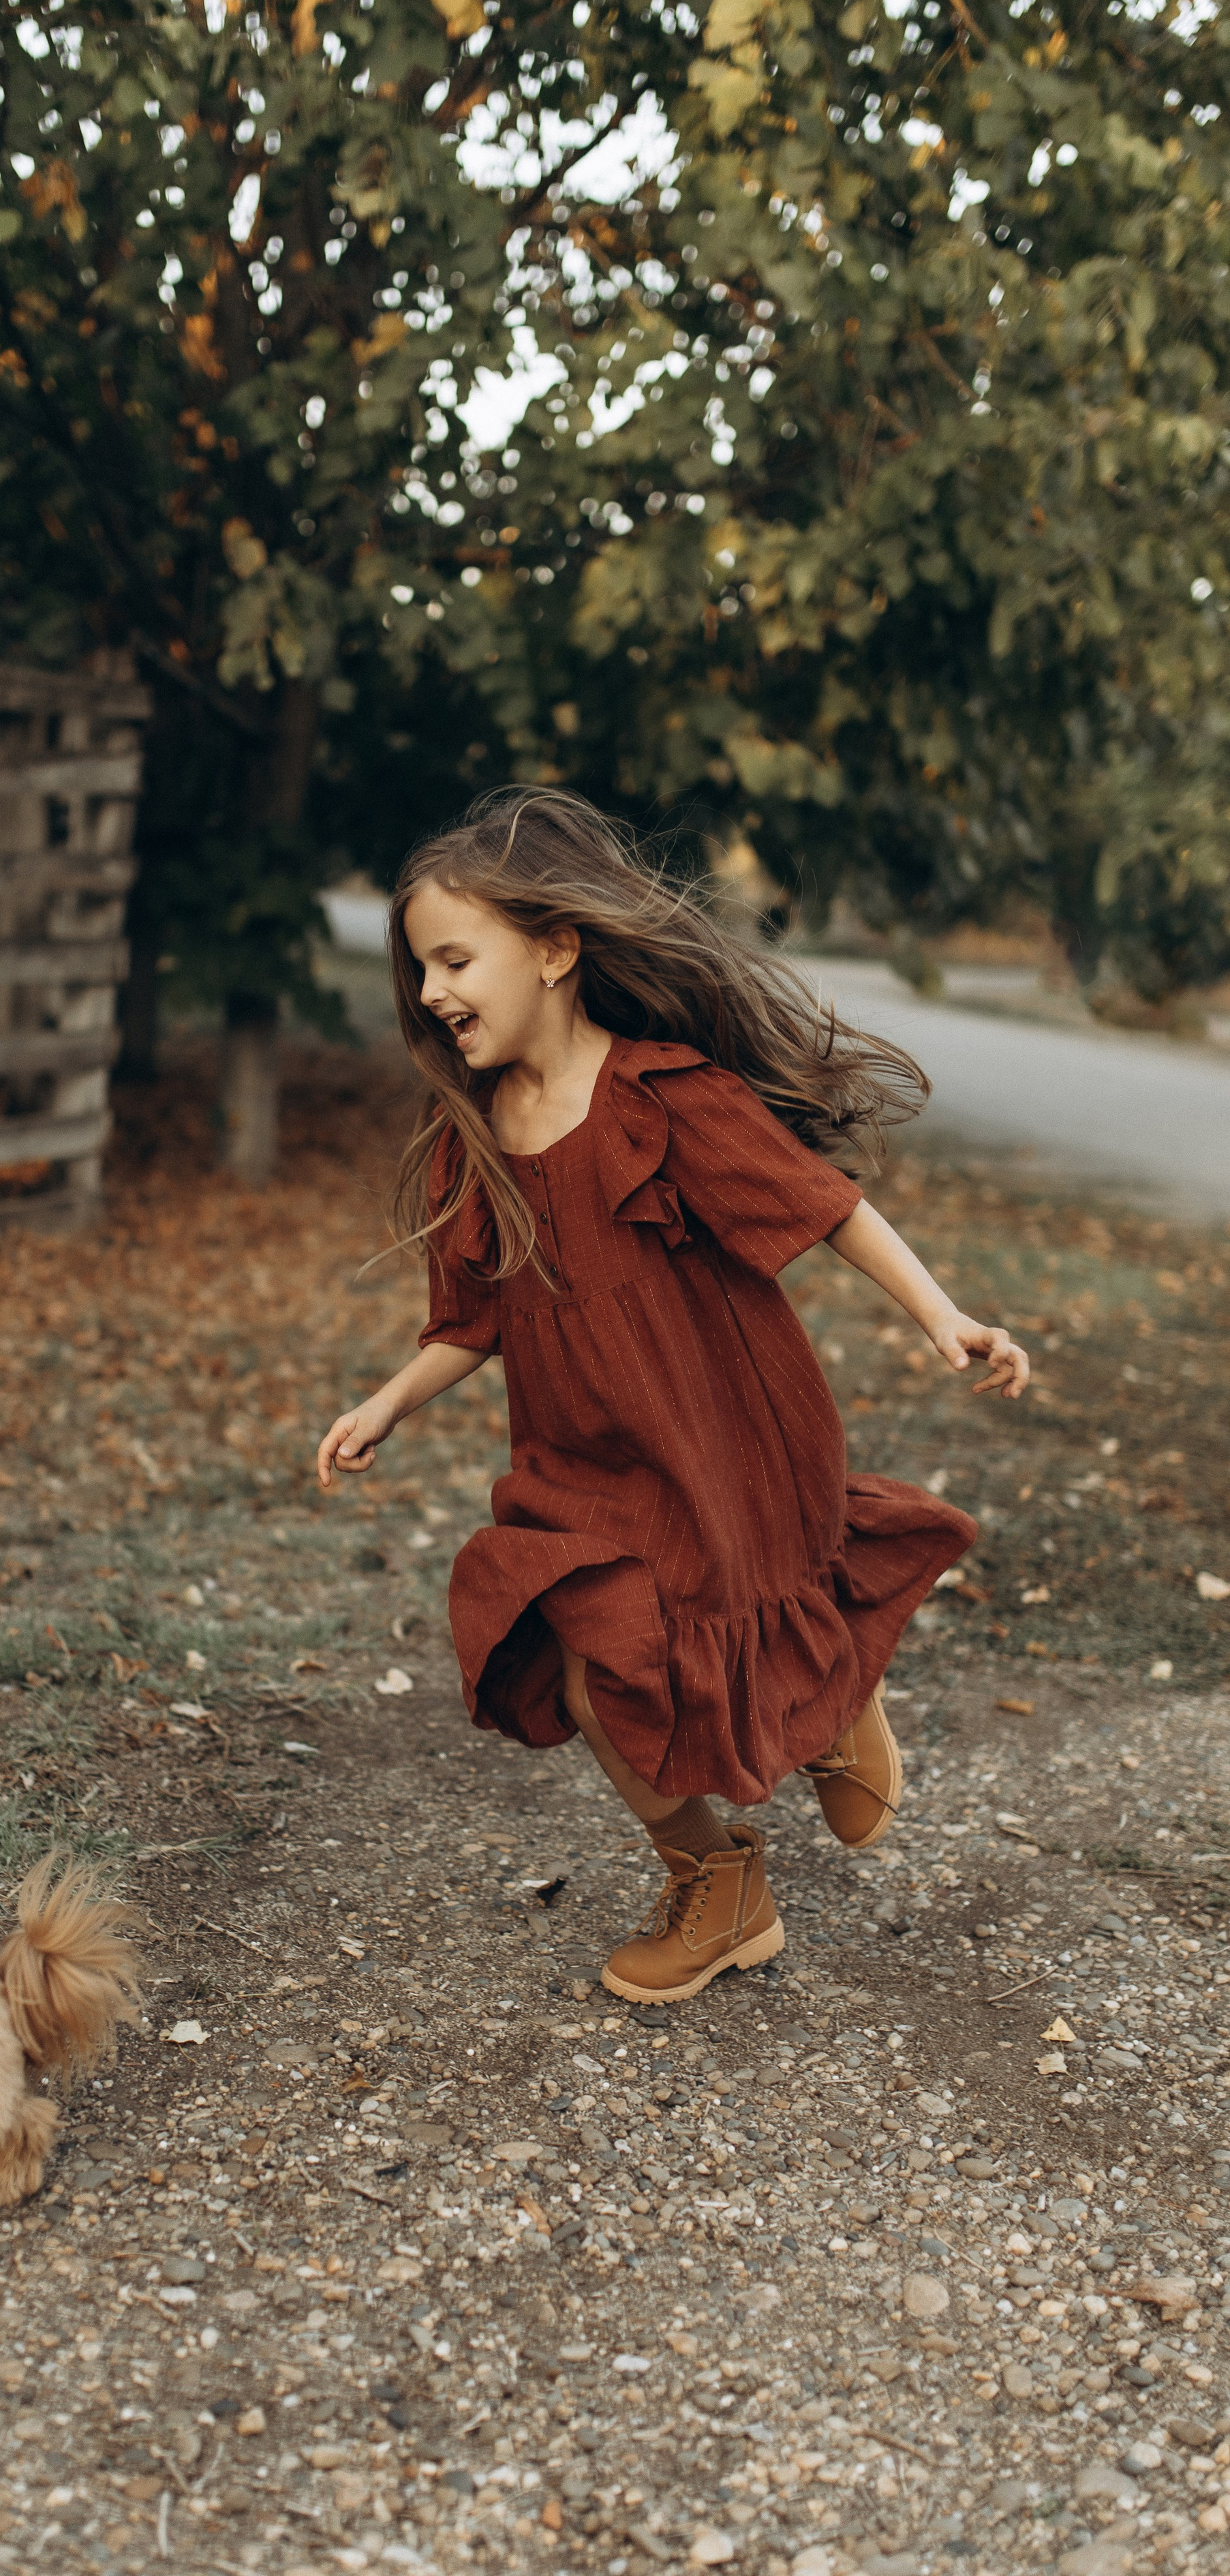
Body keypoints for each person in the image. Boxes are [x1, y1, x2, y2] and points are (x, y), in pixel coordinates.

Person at [315, 791, 1028, 2006]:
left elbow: (826, 1205)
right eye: (420, 966)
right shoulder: (473, 1139)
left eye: (454, 957)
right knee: (593, 1666)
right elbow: (474, 1317)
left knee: (745, 1612)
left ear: (554, 947)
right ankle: (719, 1883)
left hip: (718, 1440)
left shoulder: (664, 1096)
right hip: (580, 1464)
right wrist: (389, 1400)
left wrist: (942, 1313)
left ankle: (833, 1697)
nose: (433, 990)